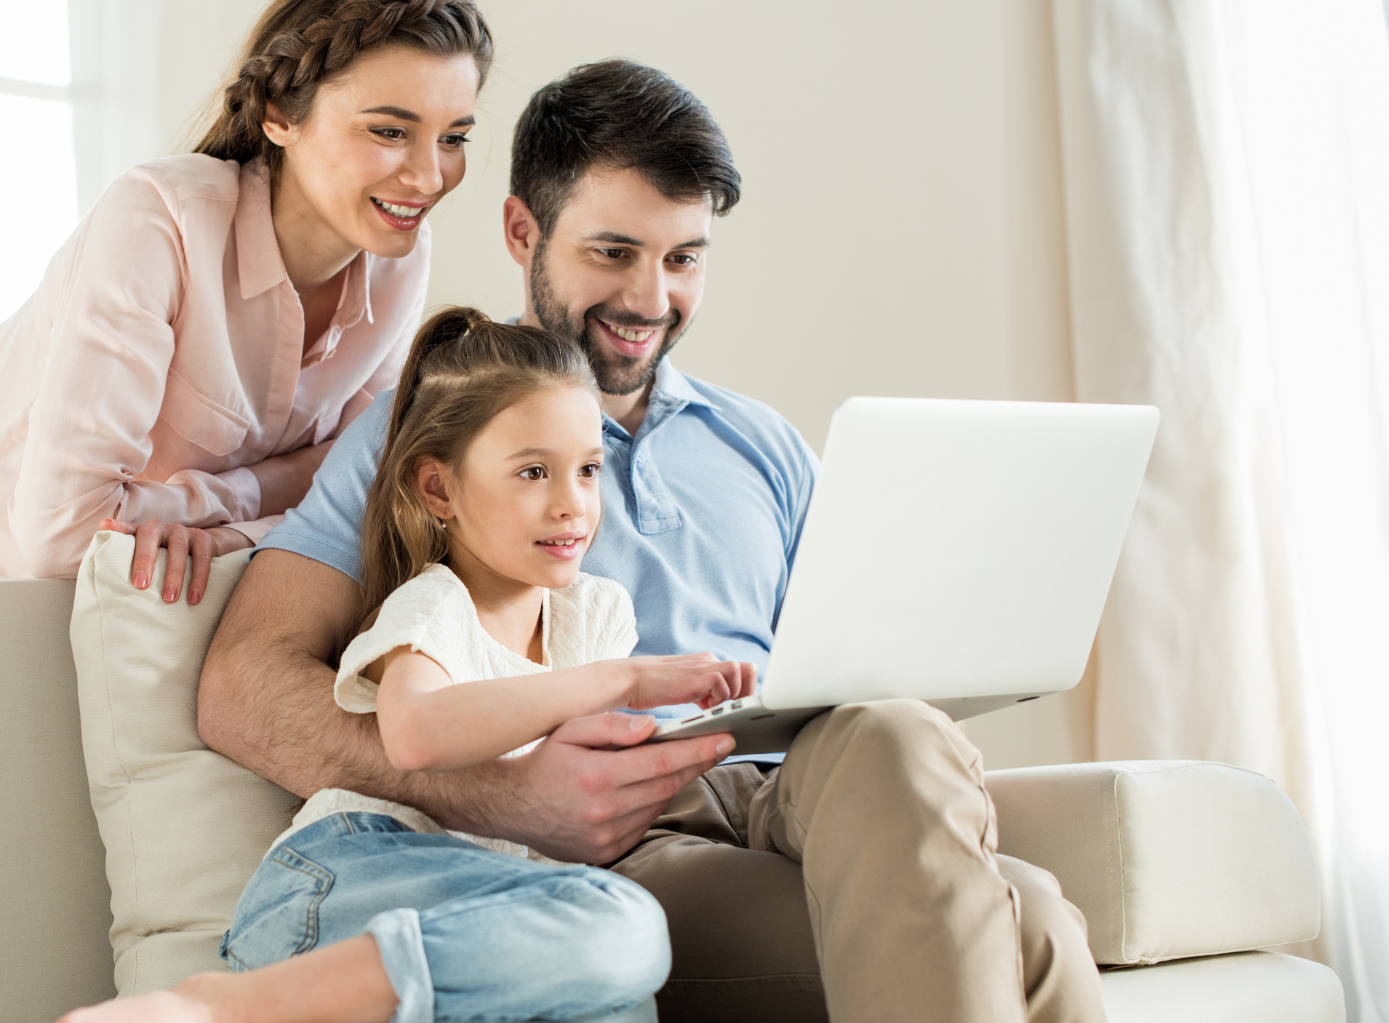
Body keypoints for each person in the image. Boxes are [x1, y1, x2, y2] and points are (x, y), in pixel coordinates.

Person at [195, 60, 1107, 1023]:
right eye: (614, 252)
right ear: (522, 232)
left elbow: (854, 667)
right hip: (634, 829)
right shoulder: (433, 433)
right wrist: (507, 800)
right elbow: (240, 690)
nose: (648, 298)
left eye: (683, 258)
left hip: (798, 789)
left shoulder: (761, 443)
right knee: (1033, 926)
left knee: (900, 727)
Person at [0, 0, 491, 596]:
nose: (429, 176)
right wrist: (249, 501)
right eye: (389, 131)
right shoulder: (161, 218)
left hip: (46, 579)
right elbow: (62, 536)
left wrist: (207, 523)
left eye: (453, 136)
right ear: (277, 115)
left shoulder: (398, 261)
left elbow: (355, 496)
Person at [78, 308, 754, 1023]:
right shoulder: (435, 605)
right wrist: (620, 682)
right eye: (533, 472)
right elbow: (415, 734)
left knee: (614, 989)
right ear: (439, 491)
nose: (572, 504)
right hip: (336, 883)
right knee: (624, 922)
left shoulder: (599, 612)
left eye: (588, 470)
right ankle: (226, 1007)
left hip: (466, 912)